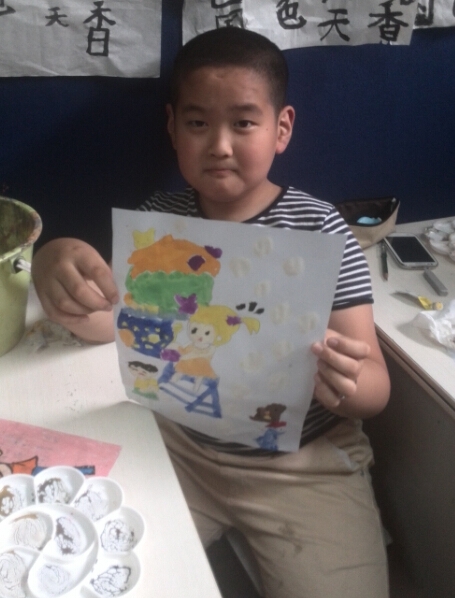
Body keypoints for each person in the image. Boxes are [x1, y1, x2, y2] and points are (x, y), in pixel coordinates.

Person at [32, 27, 390, 598]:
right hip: (180, 445)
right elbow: (116, 324)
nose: (220, 145)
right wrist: (58, 270)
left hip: (303, 465)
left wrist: (346, 382)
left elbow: (375, 388)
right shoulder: (161, 220)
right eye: (198, 123)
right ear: (173, 127)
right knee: (84, 569)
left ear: (282, 129)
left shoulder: (320, 230)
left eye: (243, 123)